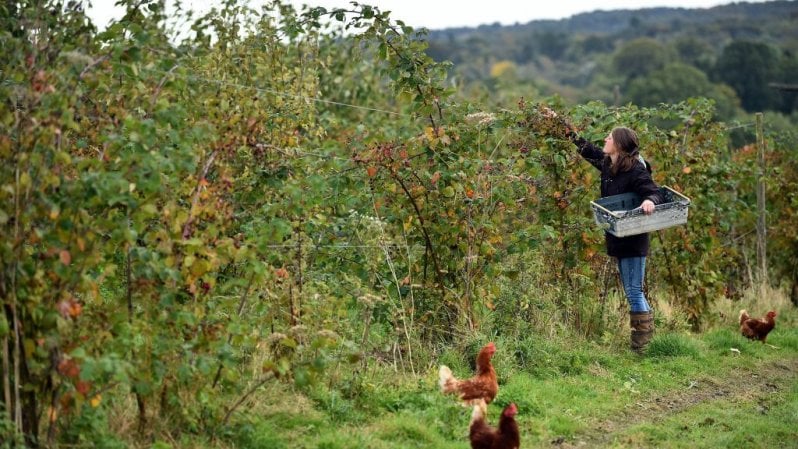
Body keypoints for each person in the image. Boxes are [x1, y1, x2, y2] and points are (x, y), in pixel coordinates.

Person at [554, 112, 663, 352]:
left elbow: (652, 191)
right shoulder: (609, 165)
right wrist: (564, 129)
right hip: (618, 235)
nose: (605, 139)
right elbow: (587, 149)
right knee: (631, 289)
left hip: (634, 236)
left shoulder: (636, 170)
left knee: (634, 291)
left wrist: (650, 202)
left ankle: (642, 346)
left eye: (609, 137)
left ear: (620, 145)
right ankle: (646, 343)